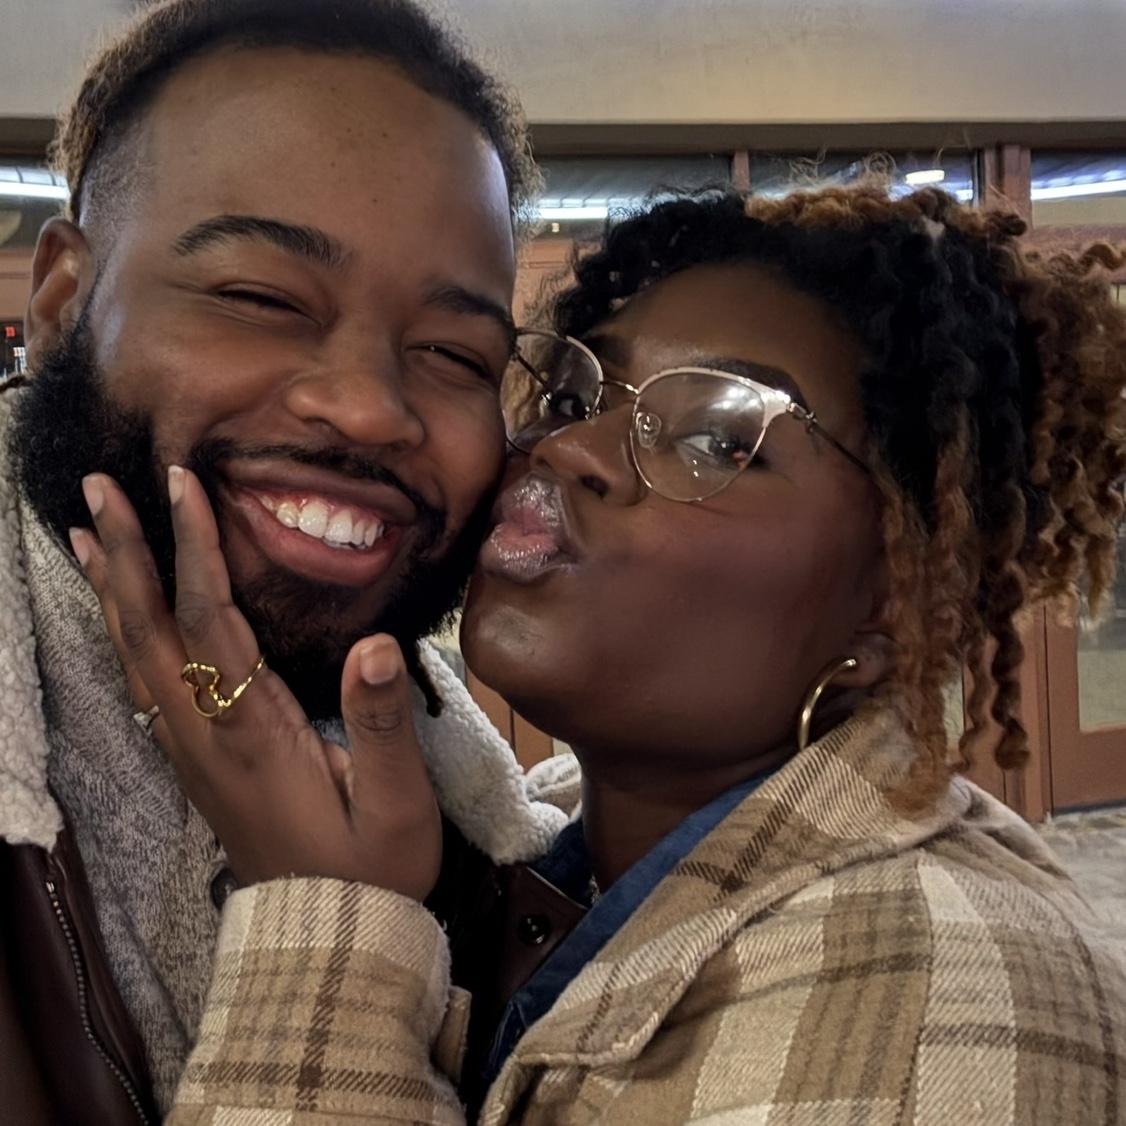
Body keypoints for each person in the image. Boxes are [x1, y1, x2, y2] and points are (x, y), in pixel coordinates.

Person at [82, 184, 1126, 1124]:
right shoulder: (553, 845)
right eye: (575, 400)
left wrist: (328, 935)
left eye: (714, 437)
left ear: (891, 602)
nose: (568, 448)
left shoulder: (943, 1003)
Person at [0, 1, 574, 1122]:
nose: (368, 409)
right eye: (259, 299)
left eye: (455, 353)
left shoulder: (494, 840)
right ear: (64, 303)